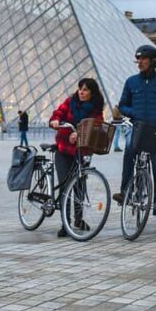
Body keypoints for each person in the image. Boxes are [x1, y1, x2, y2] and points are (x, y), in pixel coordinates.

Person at [115, 44, 156, 232]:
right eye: (138, 60)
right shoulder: (131, 82)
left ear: (152, 61)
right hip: (137, 128)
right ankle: (125, 191)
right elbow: (122, 105)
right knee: (128, 155)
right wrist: (133, 113)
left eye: (142, 59)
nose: (139, 63)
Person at [49, 78, 105, 237]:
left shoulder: (96, 111)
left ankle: (78, 220)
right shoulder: (70, 102)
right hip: (64, 149)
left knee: (80, 185)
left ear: (92, 93)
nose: (81, 91)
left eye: (86, 89)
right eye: (80, 88)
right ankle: (65, 223)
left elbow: (97, 126)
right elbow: (58, 113)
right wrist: (55, 120)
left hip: (81, 151)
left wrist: (79, 133)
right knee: (65, 185)